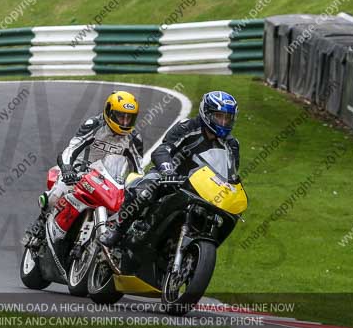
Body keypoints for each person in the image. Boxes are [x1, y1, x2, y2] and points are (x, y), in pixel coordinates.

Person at [100, 91, 240, 247]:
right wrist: (167, 171)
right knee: (144, 191)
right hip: (171, 178)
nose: (223, 122)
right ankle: (117, 230)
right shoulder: (188, 127)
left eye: (227, 118)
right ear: (206, 114)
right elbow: (162, 150)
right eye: (219, 116)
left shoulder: (232, 144)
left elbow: (231, 173)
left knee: (219, 217)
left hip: (203, 190)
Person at [45, 91, 144, 220]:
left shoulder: (134, 139)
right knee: (54, 198)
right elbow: (72, 148)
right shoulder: (94, 125)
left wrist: (138, 189)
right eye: (121, 116)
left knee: (121, 215)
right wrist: (67, 169)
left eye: (129, 118)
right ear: (109, 112)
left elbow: (139, 170)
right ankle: (41, 222)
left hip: (108, 183)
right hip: (79, 174)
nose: (125, 122)